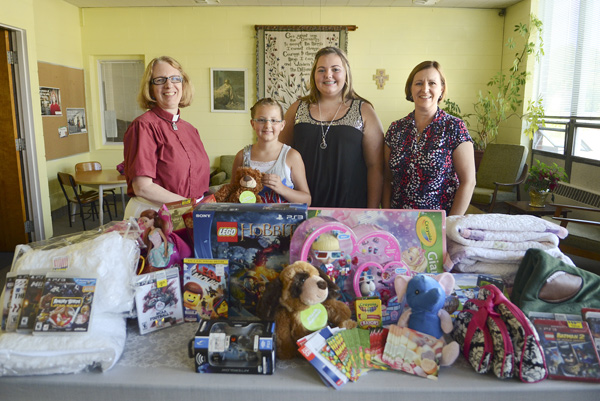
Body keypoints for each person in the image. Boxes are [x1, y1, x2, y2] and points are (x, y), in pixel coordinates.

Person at [280, 47, 384, 208]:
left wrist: (371, 212)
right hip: (303, 208)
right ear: (314, 75)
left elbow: (375, 166)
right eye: (321, 70)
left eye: (335, 69)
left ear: (346, 74)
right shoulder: (297, 108)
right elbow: (280, 154)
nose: (328, 75)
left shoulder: (364, 110)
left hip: (351, 209)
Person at [383, 60, 475, 216]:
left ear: (441, 89)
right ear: (410, 89)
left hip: (437, 226)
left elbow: (468, 182)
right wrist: (385, 216)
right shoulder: (395, 129)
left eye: (432, 83)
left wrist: (449, 225)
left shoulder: (454, 127)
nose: (425, 89)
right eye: (418, 83)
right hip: (398, 222)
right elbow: (386, 179)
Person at [123, 56, 210, 218]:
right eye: (160, 80)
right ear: (150, 88)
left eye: (175, 78)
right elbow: (143, 187)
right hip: (153, 215)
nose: (169, 85)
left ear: (183, 85)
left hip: (187, 213)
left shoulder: (191, 130)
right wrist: (190, 206)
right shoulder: (143, 126)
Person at [231, 97, 311, 204]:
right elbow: (231, 195)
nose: (267, 125)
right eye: (261, 120)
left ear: (282, 125)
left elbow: (307, 200)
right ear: (252, 124)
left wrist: (282, 188)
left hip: (282, 220)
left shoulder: (292, 156)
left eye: (273, 120)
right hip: (248, 220)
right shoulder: (242, 156)